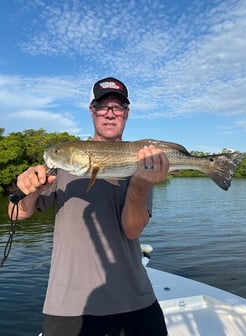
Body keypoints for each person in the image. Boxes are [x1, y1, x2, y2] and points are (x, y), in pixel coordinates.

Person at [8, 77, 169, 336]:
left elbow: (132, 230)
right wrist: (27, 191)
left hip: (136, 300)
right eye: (102, 106)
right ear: (92, 111)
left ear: (126, 114)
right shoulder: (61, 165)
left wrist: (139, 185)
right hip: (69, 306)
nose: (109, 113)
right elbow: (18, 213)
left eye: (117, 107)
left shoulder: (141, 162)